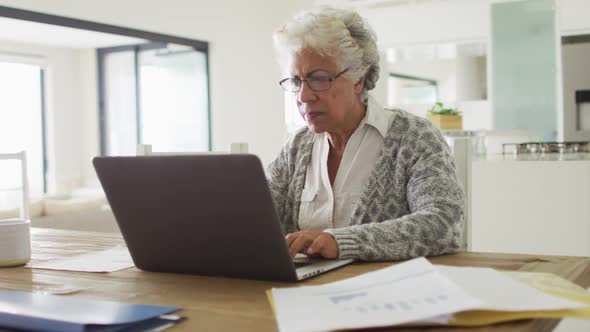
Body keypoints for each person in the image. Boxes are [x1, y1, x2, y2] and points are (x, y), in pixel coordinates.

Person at [268, 7, 464, 261]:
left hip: (389, 294)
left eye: (318, 79)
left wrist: (340, 242)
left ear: (358, 78)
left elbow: (443, 224)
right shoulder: (296, 147)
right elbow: (258, 217)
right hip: (307, 291)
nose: (304, 96)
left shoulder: (414, 138)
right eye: (296, 81)